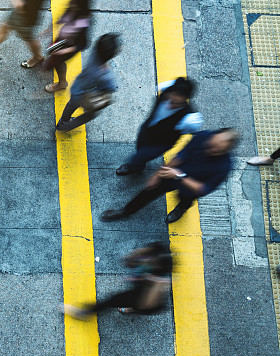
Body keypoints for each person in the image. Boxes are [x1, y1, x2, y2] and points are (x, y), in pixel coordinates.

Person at [101, 128, 238, 224]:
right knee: (147, 193)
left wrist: (180, 176)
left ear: (225, 151)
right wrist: (158, 174)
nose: (209, 147)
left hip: (189, 187)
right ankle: (126, 211)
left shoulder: (224, 166)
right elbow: (181, 155)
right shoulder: (204, 137)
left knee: (185, 200)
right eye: (211, 143)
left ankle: (181, 209)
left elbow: (203, 189)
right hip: (171, 175)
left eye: (216, 149)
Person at [116, 77, 204, 176]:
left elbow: (192, 135)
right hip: (148, 128)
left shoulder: (190, 119)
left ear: (186, 99)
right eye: (171, 99)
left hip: (161, 143)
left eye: (177, 103)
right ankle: (139, 164)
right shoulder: (165, 88)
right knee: (140, 147)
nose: (171, 105)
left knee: (139, 156)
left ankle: (135, 167)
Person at [63, 242, 173, 319]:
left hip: (144, 298)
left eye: (154, 262)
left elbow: (147, 304)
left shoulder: (157, 282)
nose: (149, 260)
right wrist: (135, 256)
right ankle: (131, 308)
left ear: (159, 268)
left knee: (112, 300)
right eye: (152, 257)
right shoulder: (158, 250)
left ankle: (83, 312)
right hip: (140, 285)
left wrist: (155, 283)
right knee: (126, 302)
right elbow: (141, 253)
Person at [55, 33, 119, 132]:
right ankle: (65, 128)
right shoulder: (105, 76)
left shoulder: (94, 54)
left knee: (70, 106)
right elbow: (111, 88)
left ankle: (62, 123)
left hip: (76, 89)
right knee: (90, 115)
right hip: (88, 97)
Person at [0, 0, 46, 68]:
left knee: (28, 38)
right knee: (5, 26)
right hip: (25, 12)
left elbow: (20, 5)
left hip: (24, 14)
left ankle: (37, 57)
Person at [42, 0, 91, 93]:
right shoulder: (73, 9)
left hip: (68, 46)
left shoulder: (83, 23)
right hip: (61, 41)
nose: (70, 4)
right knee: (54, 59)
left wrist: (64, 51)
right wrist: (48, 30)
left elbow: (82, 44)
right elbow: (62, 19)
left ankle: (62, 83)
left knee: (58, 62)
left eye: (74, 3)